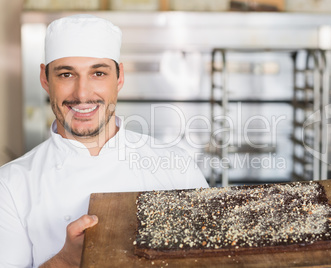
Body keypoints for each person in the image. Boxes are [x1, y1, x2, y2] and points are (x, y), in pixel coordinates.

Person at [0, 14, 209, 268]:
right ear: (45, 79)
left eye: (98, 73)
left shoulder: (176, 166)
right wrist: (66, 260)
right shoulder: (11, 186)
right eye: (66, 75)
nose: (82, 93)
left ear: (119, 77)